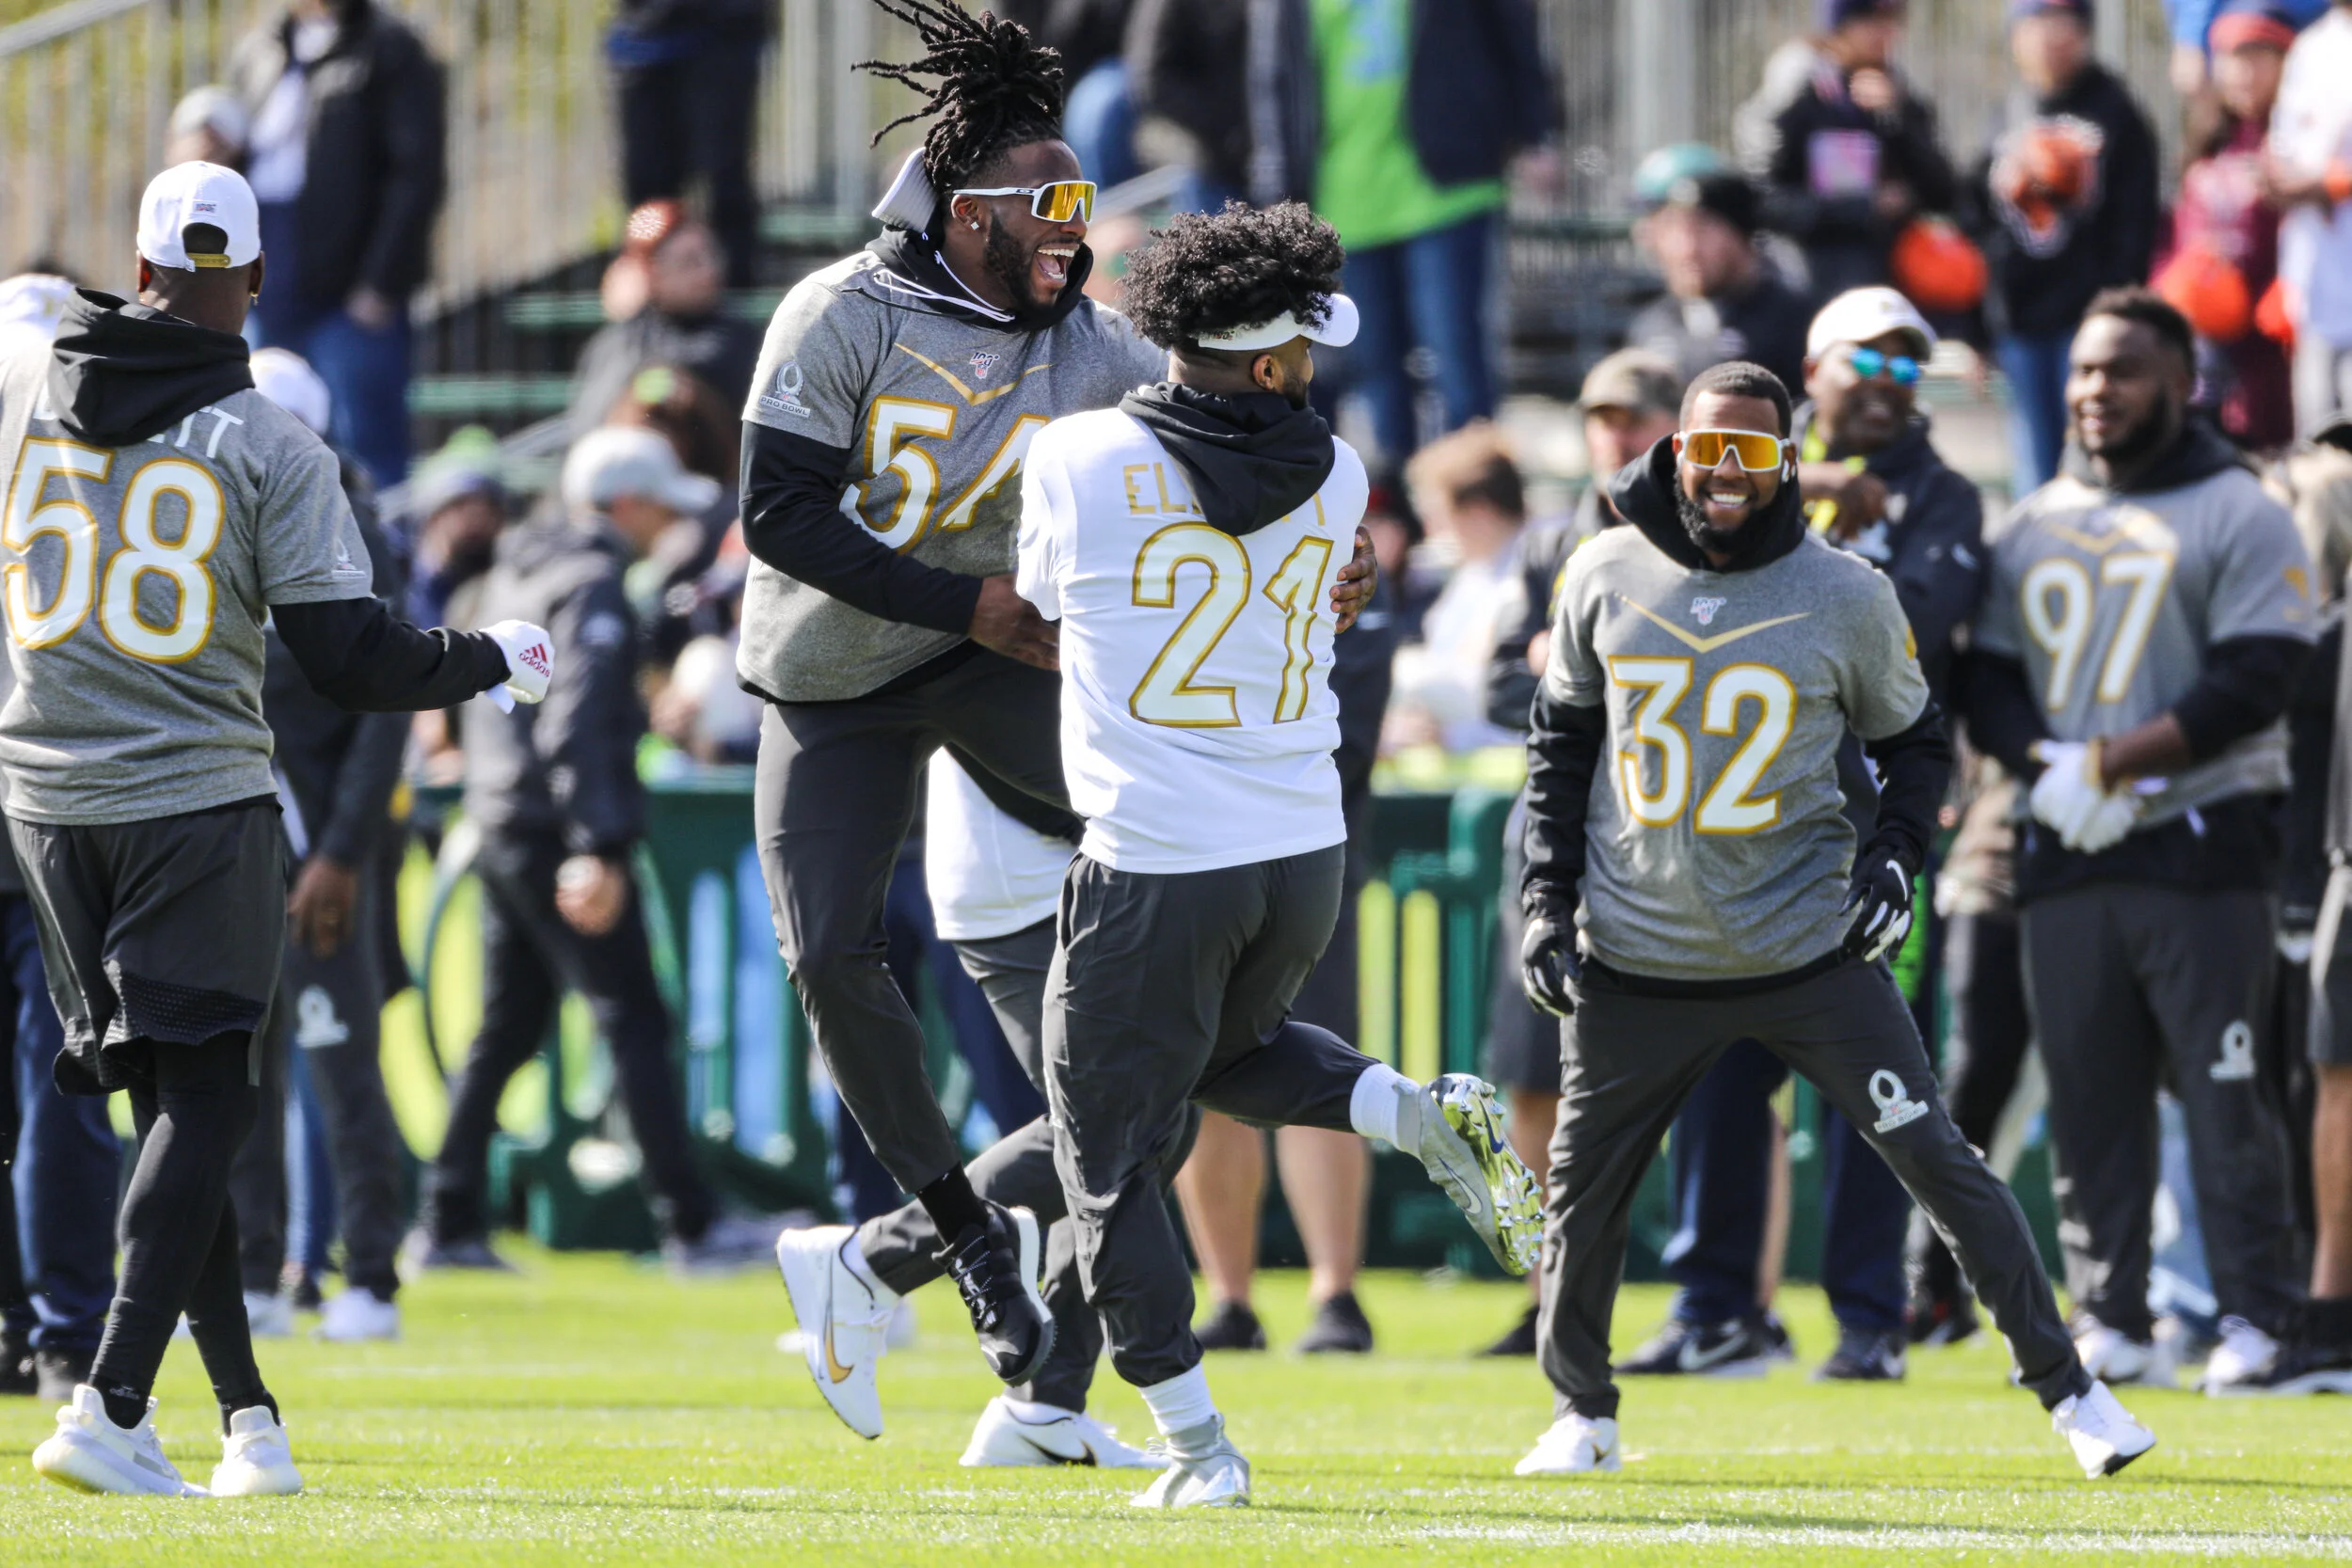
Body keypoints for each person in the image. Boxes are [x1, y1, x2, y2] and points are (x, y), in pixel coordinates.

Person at [740, 0, 1371, 1399]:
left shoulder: (1091, 342)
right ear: (968, 213)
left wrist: (1335, 541)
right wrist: (963, 599)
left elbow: (1223, 436)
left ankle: (1006, 1319)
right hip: (840, 670)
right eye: (1052, 203)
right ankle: (960, 1238)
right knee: (830, 950)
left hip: (991, 664)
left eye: (1085, 200)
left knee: (1164, 873)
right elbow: (778, 513)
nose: (1077, 233)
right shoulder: (840, 311)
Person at [1510, 358, 2153, 1481]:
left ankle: (2072, 1391)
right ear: (1675, 447)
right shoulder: (1603, 566)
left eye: (1753, 454)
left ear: (1790, 462)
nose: (1725, 473)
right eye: (1709, 448)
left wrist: (1898, 854)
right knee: (1585, 1192)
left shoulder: (1847, 590)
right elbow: (1560, 746)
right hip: (1638, 952)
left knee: (1940, 1162)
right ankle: (1582, 1409)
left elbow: (1914, 742)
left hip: (1805, 944)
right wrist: (1543, 897)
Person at [8, 163, 540, 1498]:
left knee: (169, 1111)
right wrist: (491, 655)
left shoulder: (23, 404)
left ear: (136, 270)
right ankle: (113, 1400)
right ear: (249, 282)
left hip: (43, 804)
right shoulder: (272, 442)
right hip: (190, 793)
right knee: (207, 1104)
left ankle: (248, 1414)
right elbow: (353, 660)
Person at [1017, 200, 1541, 1509]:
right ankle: (1415, 1112)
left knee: (1107, 1160)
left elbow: (1030, 615)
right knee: (1227, 1062)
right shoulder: (1339, 472)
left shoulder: (1075, 454)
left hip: (1154, 849)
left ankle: (1197, 1441)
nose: (1313, 363)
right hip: (1299, 841)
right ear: (1265, 360)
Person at [1611, 289, 1987, 1385]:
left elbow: (1899, 617)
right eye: (1861, 359)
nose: (1882, 381)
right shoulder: (1743, 471)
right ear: (1809, 372)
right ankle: (1717, 1305)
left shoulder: (1944, 495)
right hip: (1742, 829)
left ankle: (1871, 1313)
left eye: (1908, 366)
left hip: (1866, 837)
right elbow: (1628, 506)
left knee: (1880, 1089)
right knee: (1721, 1082)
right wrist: (1805, 482)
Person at [1965, 288, 2318, 1393]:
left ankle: (2256, 1315)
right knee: (2087, 1096)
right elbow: (1987, 677)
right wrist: (2047, 768)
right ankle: (2111, 1312)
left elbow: (2262, 673)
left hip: (2202, 843)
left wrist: (2115, 759)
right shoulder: (2030, 519)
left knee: (2225, 1095)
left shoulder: (2238, 507)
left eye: (2119, 370)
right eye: (2078, 370)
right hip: (2067, 842)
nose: (2092, 391)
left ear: (2181, 381)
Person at [407, 428, 772, 1277]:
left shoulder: (507, 570)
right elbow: (572, 725)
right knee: (637, 1020)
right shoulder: (591, 582)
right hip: (555, 832)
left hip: (501, 821)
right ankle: (692, 1225)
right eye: (658, 507)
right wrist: (598, 845)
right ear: (625, 503)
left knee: (509, 1026)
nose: (666, 528)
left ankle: (447, 1215)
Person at [1476, 347, 1681, 1358]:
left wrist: (1572, 673)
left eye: (1633, 416)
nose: (1615, 435)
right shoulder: (1551, 541)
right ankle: (1544, 1290)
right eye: (1601, 417)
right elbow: (1495, 688)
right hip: (1557, 835)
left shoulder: (1705, 538)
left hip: (1672, 836)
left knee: (1713, 1077)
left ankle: (1714, 1292)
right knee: (1531, 1073)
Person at [219, 348, 414, 1344]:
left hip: (326, 840)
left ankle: (370, 1274)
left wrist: (340, 848)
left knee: (341, 1057)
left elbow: (384, 711)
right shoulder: (241, 519)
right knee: (239, 1062)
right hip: (248, 826)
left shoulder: (352, 530)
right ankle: (254, 1268)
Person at [1173, 546, 1397, 1357]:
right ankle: (1230, 1295)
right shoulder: (1193, 546)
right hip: (1196, 848)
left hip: (1308, 850)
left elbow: (1350, 733)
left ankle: (1336, 1290)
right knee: (1202, 1080)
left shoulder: (1336, 555)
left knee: (1320, 1067)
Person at [0, 273, 119, 1407]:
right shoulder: (100, 445)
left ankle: (26, 1320)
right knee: (66, 1079)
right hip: (61, 787)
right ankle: (67, 1330)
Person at [1306, 0, 1553, 464]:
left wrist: (1536, 131)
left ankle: (1474, 499)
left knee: (1455, 354)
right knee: (1372, 366)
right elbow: (1276, 80)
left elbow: (1514, 30)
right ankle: (1395, 505)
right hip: (1347, 198)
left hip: (1449, 187)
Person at [230, 0, 446, 489]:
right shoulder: (262, 49)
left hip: (350, 296)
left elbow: (416, 175)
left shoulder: (391, 50)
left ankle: (378, 563)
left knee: (367, 453)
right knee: (259, 443)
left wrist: (380, 283)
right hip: (267, 286)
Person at [1966, 0, 2160, 494]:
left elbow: (2135, 223)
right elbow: (1975, 226)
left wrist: (2116, 312)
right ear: (2016, 37)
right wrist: (1975, 329)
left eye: (2065, 23)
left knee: (2096, 457)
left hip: (2089, 318)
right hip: (2020, 321)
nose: (2052, 37)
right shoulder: (2005, 114)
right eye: (2038, 24)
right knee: (2034, 465)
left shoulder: (2117, 112)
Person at [1735, 0, 1960, 303]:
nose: (1885, 34)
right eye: (1870, 21)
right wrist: (1864, 207)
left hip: (1884, 283)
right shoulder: (1795, 93)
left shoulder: (1897, 94)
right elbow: (1765, 201)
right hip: (1804, 284)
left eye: (1892, 21)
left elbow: (1943, 192)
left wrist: (1902, 118)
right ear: (1837, 27)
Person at [2161, 0, 2298, 451]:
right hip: (2206, 350)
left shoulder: (2297, 142)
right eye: (2233, 58)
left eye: (2258, 57)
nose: (2244, 73)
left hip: (2272, 354)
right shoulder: (2208, 139)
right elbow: (2175, 238)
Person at [1384, 423, 1529, 752]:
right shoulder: (1472, 577)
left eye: (1438, 516)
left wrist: (1449, 736)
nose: (1430, 531)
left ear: (1479, 513)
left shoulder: (1526, 583)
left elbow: (1509, 705)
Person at [608, 0, 771, 292]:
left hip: (725, 32)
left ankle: (734, 293)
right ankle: (649, 286)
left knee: (723, 178)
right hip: (646, 36)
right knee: (647, 186)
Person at [568, 201, 763, 440]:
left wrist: (630, 314)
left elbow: (692, 367)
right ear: (650, 273)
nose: (708, 270)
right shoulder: (621, 337)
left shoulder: (735, 334)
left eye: (711, 256)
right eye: (689, 262)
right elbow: (591, 420)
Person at [1626, 169, 1812, 396]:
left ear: (1743, 235)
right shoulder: (1651, 326)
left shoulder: (1794, 324)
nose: (1688, 250)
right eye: (1673, 230)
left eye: (1703, 230)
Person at [2268, 0, 2352, 430]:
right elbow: (2284, 143)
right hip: (2318, 282)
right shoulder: (2312, 47)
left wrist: (2334, 185)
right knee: (2317, 446)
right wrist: (2276, 178)